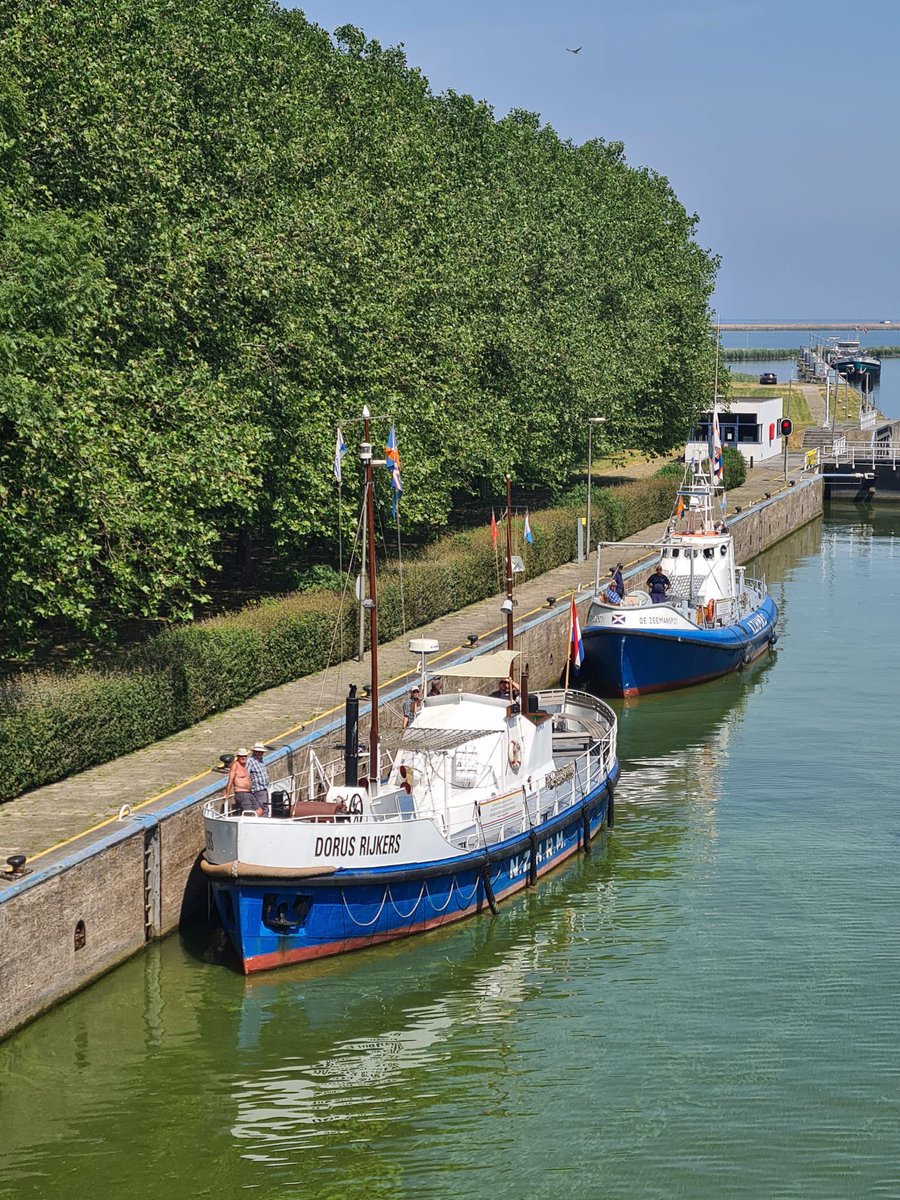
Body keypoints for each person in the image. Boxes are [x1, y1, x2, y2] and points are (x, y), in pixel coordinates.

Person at [225, 748, 259, 815]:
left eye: (245, 756)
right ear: (237, 757)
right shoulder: (235, 765)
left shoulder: (245, 765)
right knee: (248, 813)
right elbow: (230, 780)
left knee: (259, 810)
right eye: (241, 756)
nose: (244, 757)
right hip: (241, 793)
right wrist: (227, 793)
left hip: (249, 792)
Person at [247, 741, 271, 817]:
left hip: (264, 788)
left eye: (262, 752)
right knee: (262, 808)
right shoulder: (250, 761)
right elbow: (247, 774)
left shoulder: (260, 761)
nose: (261, 753)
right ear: (254, 752)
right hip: (258, 789)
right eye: (259, 752)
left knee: (265, 807)